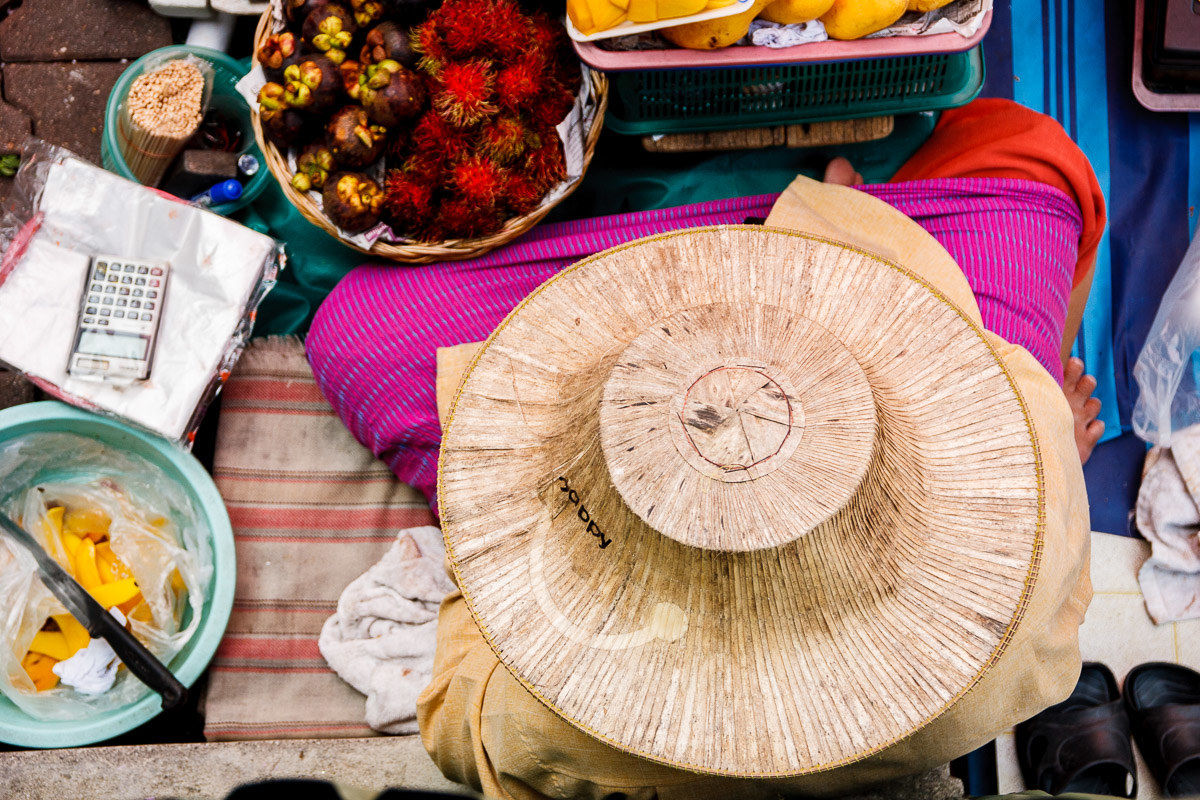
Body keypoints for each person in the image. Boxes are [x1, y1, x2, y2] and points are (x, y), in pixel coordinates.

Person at [304, 97, 1107, 798]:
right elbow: (1040, 479)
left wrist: (513, 497)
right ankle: (830, 232)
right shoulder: (1023, 526)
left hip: (622, 415)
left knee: (356, 331)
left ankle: (815, 231)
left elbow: (462, 707)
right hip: (864, 394)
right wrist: (1054, 460)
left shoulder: (545, 725)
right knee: (1033, 157)